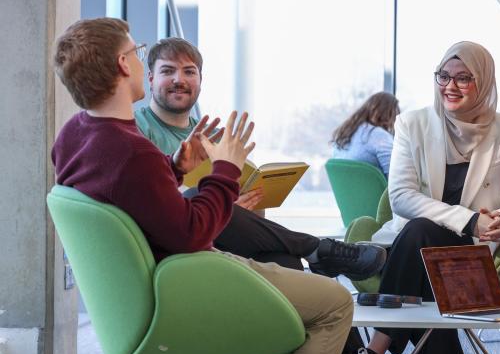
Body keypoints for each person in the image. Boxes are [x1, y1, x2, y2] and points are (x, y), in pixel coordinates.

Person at [51, 18, 362, 354]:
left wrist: (173, 169)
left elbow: (132, 200)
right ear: (123, 65)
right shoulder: (130, 151)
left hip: (150, 285)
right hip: (181, 287)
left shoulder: (77, 133)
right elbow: (193, 232)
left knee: (290, 302)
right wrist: (225, 170)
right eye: (137, 53)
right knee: (333, 302)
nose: (139, 59)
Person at [337, 41, 500, 354]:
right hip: (420, 249)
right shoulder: (413, 124)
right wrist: (469, 221)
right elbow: (402, 198)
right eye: (444, 76)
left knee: (424, 243)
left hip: (472, 258)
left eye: (464, 78)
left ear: (483, 82)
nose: (452, 86)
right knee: (423, 241)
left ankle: (375, 349)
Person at [136, 37, 385, 279]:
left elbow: (255, 219)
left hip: (220, 234)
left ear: (200, 81)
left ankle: (316, 261)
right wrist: (220, 206)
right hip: (175, 240)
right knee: (194, 198)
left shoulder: (214, 136)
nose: (179, 79)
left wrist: (241, 205)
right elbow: (154, 203)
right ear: (150, 78)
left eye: (189, 72)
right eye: (168, 71)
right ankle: (319, 249)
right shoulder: (137, 128)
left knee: (288, 264)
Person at [331, 91, 400, 177]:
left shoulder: (344, 133)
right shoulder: (379, 136)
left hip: (349, 190)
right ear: (390, 114)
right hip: (376, 190)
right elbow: (396, 178)